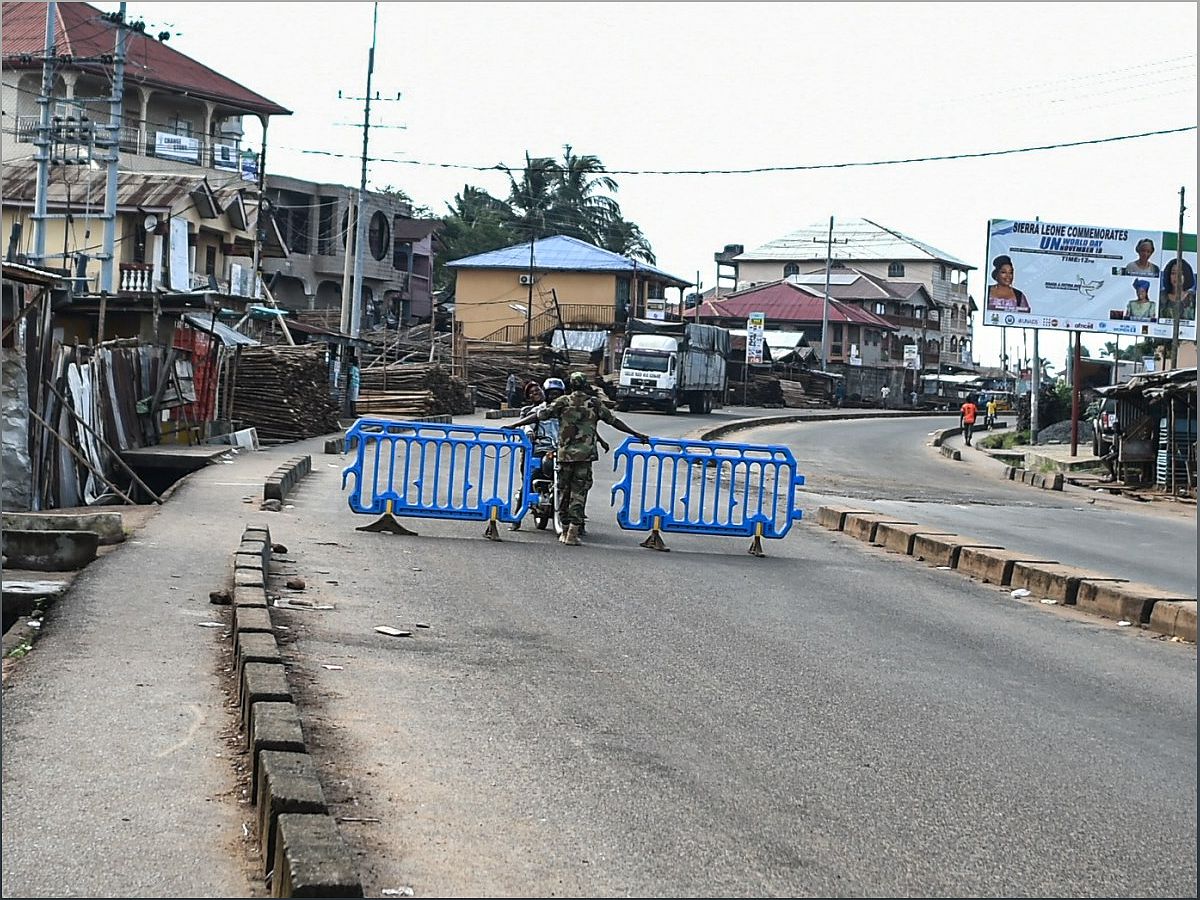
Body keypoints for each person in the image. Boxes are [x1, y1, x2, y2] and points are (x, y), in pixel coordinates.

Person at [508, 371, 649, 546]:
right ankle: (573, 531)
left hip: (564, 454)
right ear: (584, 386)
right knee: (579, 492)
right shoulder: (594, 403)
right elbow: (614, 421)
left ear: (571, 386)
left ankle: (564, 528)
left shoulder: (563, 402)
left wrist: (514, 424)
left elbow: (539, 415)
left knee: (562, 490)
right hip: (585, 455)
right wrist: (635, 433)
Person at [1159, 257, 1197, 322]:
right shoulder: (1160, 296)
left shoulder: (1194, 298)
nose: (1176, 277)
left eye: (1180, 273)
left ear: (1186, 275)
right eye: (1173, 273)